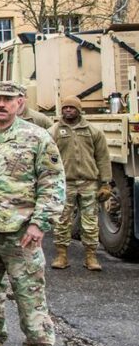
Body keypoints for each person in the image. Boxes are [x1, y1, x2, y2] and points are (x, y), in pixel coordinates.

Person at [0, 81, 66, 346]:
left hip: (20, 233)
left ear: (20, 102)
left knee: (29, 294)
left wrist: (39, 224)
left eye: (8, 100)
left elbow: (53, 183)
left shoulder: (36, 137)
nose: (1, 104)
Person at [49, 96, 111, 271]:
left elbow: (103, 158)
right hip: (64, 184)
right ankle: (61, 256)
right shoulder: (53, 131)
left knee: (90, 222)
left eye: (72, 108)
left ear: (79, 110)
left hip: (88, 183)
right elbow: (46, 157)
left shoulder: (93, 131)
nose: (68, 110)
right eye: (65, 107)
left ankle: (91, 257)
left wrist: (105, 183)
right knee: (62, 221)